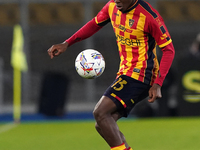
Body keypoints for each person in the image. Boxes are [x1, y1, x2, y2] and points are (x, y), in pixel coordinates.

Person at [47, 0, 175, 150]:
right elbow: (94, 24)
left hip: (142, 74)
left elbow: (169, 50)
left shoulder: (149, 16)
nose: (117, 1)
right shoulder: (112, 6)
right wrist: (67, 43)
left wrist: (158, 84)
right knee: (103, 125)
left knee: (100, 112)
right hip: (125, 72)